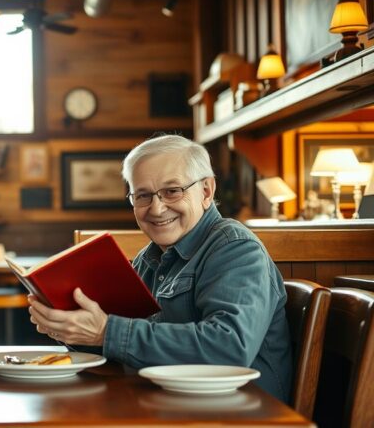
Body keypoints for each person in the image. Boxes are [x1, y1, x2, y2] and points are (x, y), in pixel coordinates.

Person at [28, 134, 292, 402]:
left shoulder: (235, 248)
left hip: (241, 414)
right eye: (143, 195)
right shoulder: (148, 258)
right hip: (171, 404)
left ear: (206, 191)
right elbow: (124, 346)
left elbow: (228, 349)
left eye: (172, 191)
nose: (156, 208)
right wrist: (69, 327)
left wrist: (105, 332)